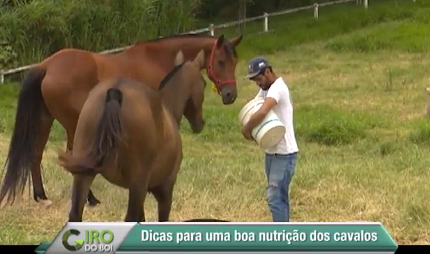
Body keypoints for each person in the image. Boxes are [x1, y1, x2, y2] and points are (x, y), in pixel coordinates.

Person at [241, 56, 299, 222]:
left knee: (274, 197)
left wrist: (247, 129)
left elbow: (261, 111)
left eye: (258, 79)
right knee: (279, 197)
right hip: (272, 152)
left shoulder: (277, 87)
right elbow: (254, 106)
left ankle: (280, 238)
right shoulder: (266, 88)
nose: (257, 83)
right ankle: (284, 235)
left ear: (267, 72)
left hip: (284, 154)